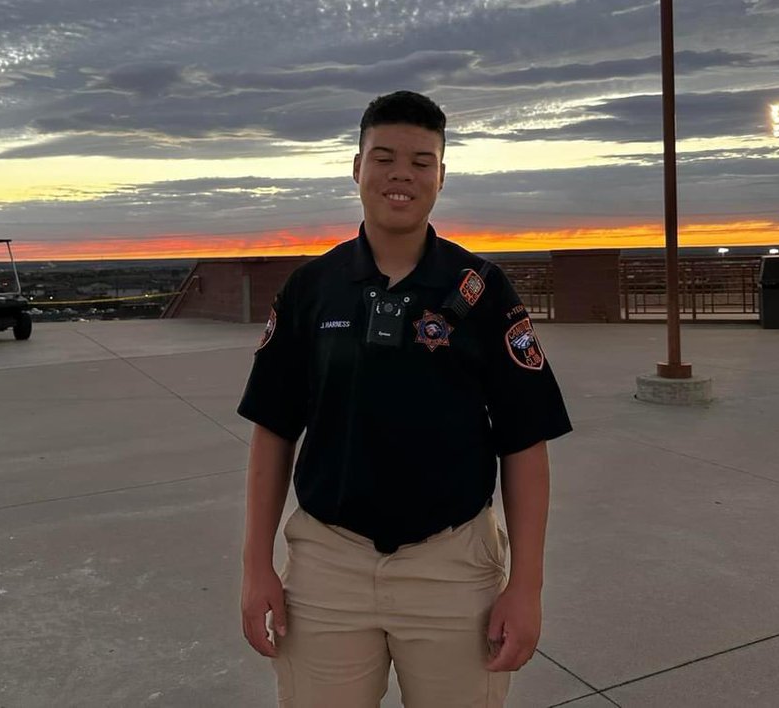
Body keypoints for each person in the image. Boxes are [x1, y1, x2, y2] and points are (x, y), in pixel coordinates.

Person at [238, 90, 572, 707]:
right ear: (356, 167)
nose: (402, 174)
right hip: (327, 567)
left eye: (422, 161)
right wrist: (256, 565)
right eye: (384, 157)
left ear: (441, 176)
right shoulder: (313, 288)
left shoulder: (482, 291)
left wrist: (527, 585)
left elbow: (525, 442)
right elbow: (273, 430)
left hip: (453, 566)